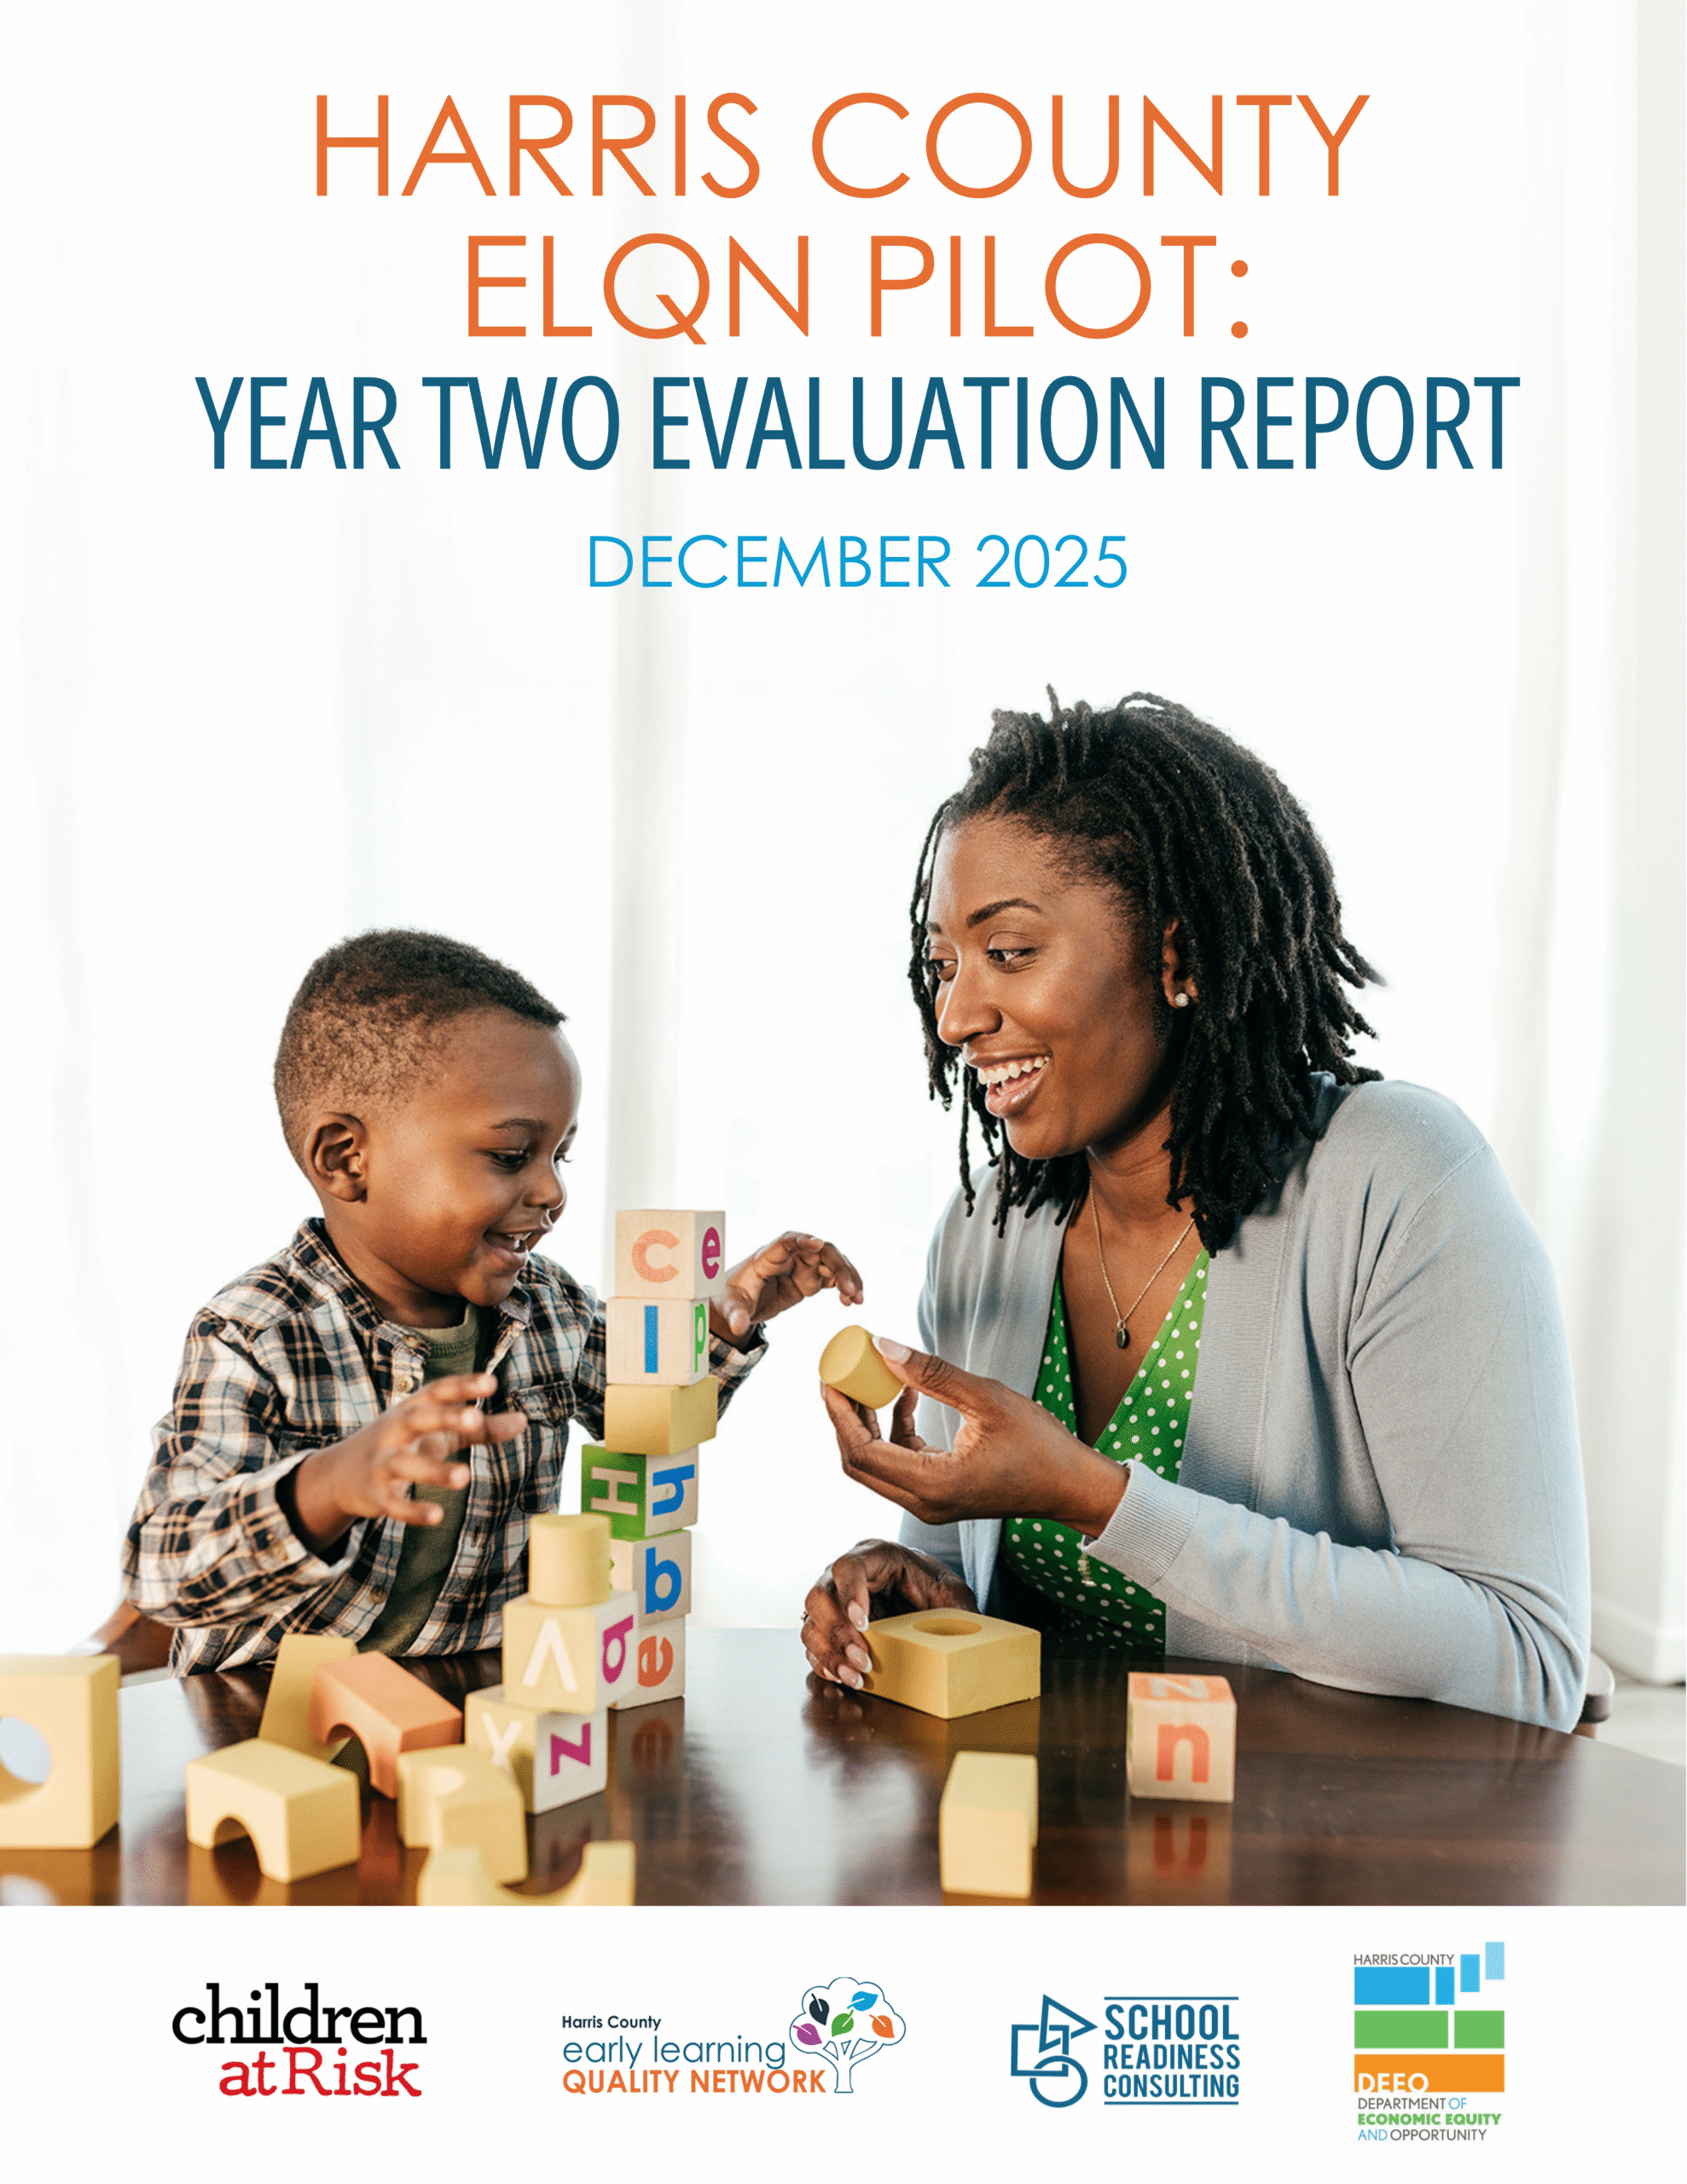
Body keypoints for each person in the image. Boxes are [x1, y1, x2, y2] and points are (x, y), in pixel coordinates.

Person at [803, 694, 1590, 1732]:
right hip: (1045, 1857)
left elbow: (1525, 1655)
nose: (954, 1015)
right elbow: (969, 1569)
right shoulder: (987, 1229)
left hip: (1315, 1855)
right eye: (942, 963)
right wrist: (904, 1580)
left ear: (1178, 954)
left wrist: (1099, 1499)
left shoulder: (1398, 1182)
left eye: (1009, 952)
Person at [125, 928, 860, 1672]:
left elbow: (643, 1409)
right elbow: (162, 1566)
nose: (552, 1193)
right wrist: (330, 1484)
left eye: (559, 1155)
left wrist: (728, 1321)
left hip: (480, 1708)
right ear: (347, 1159)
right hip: (278, 1728)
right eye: (511, 1157)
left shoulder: (547, 1307)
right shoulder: (256, 1331)